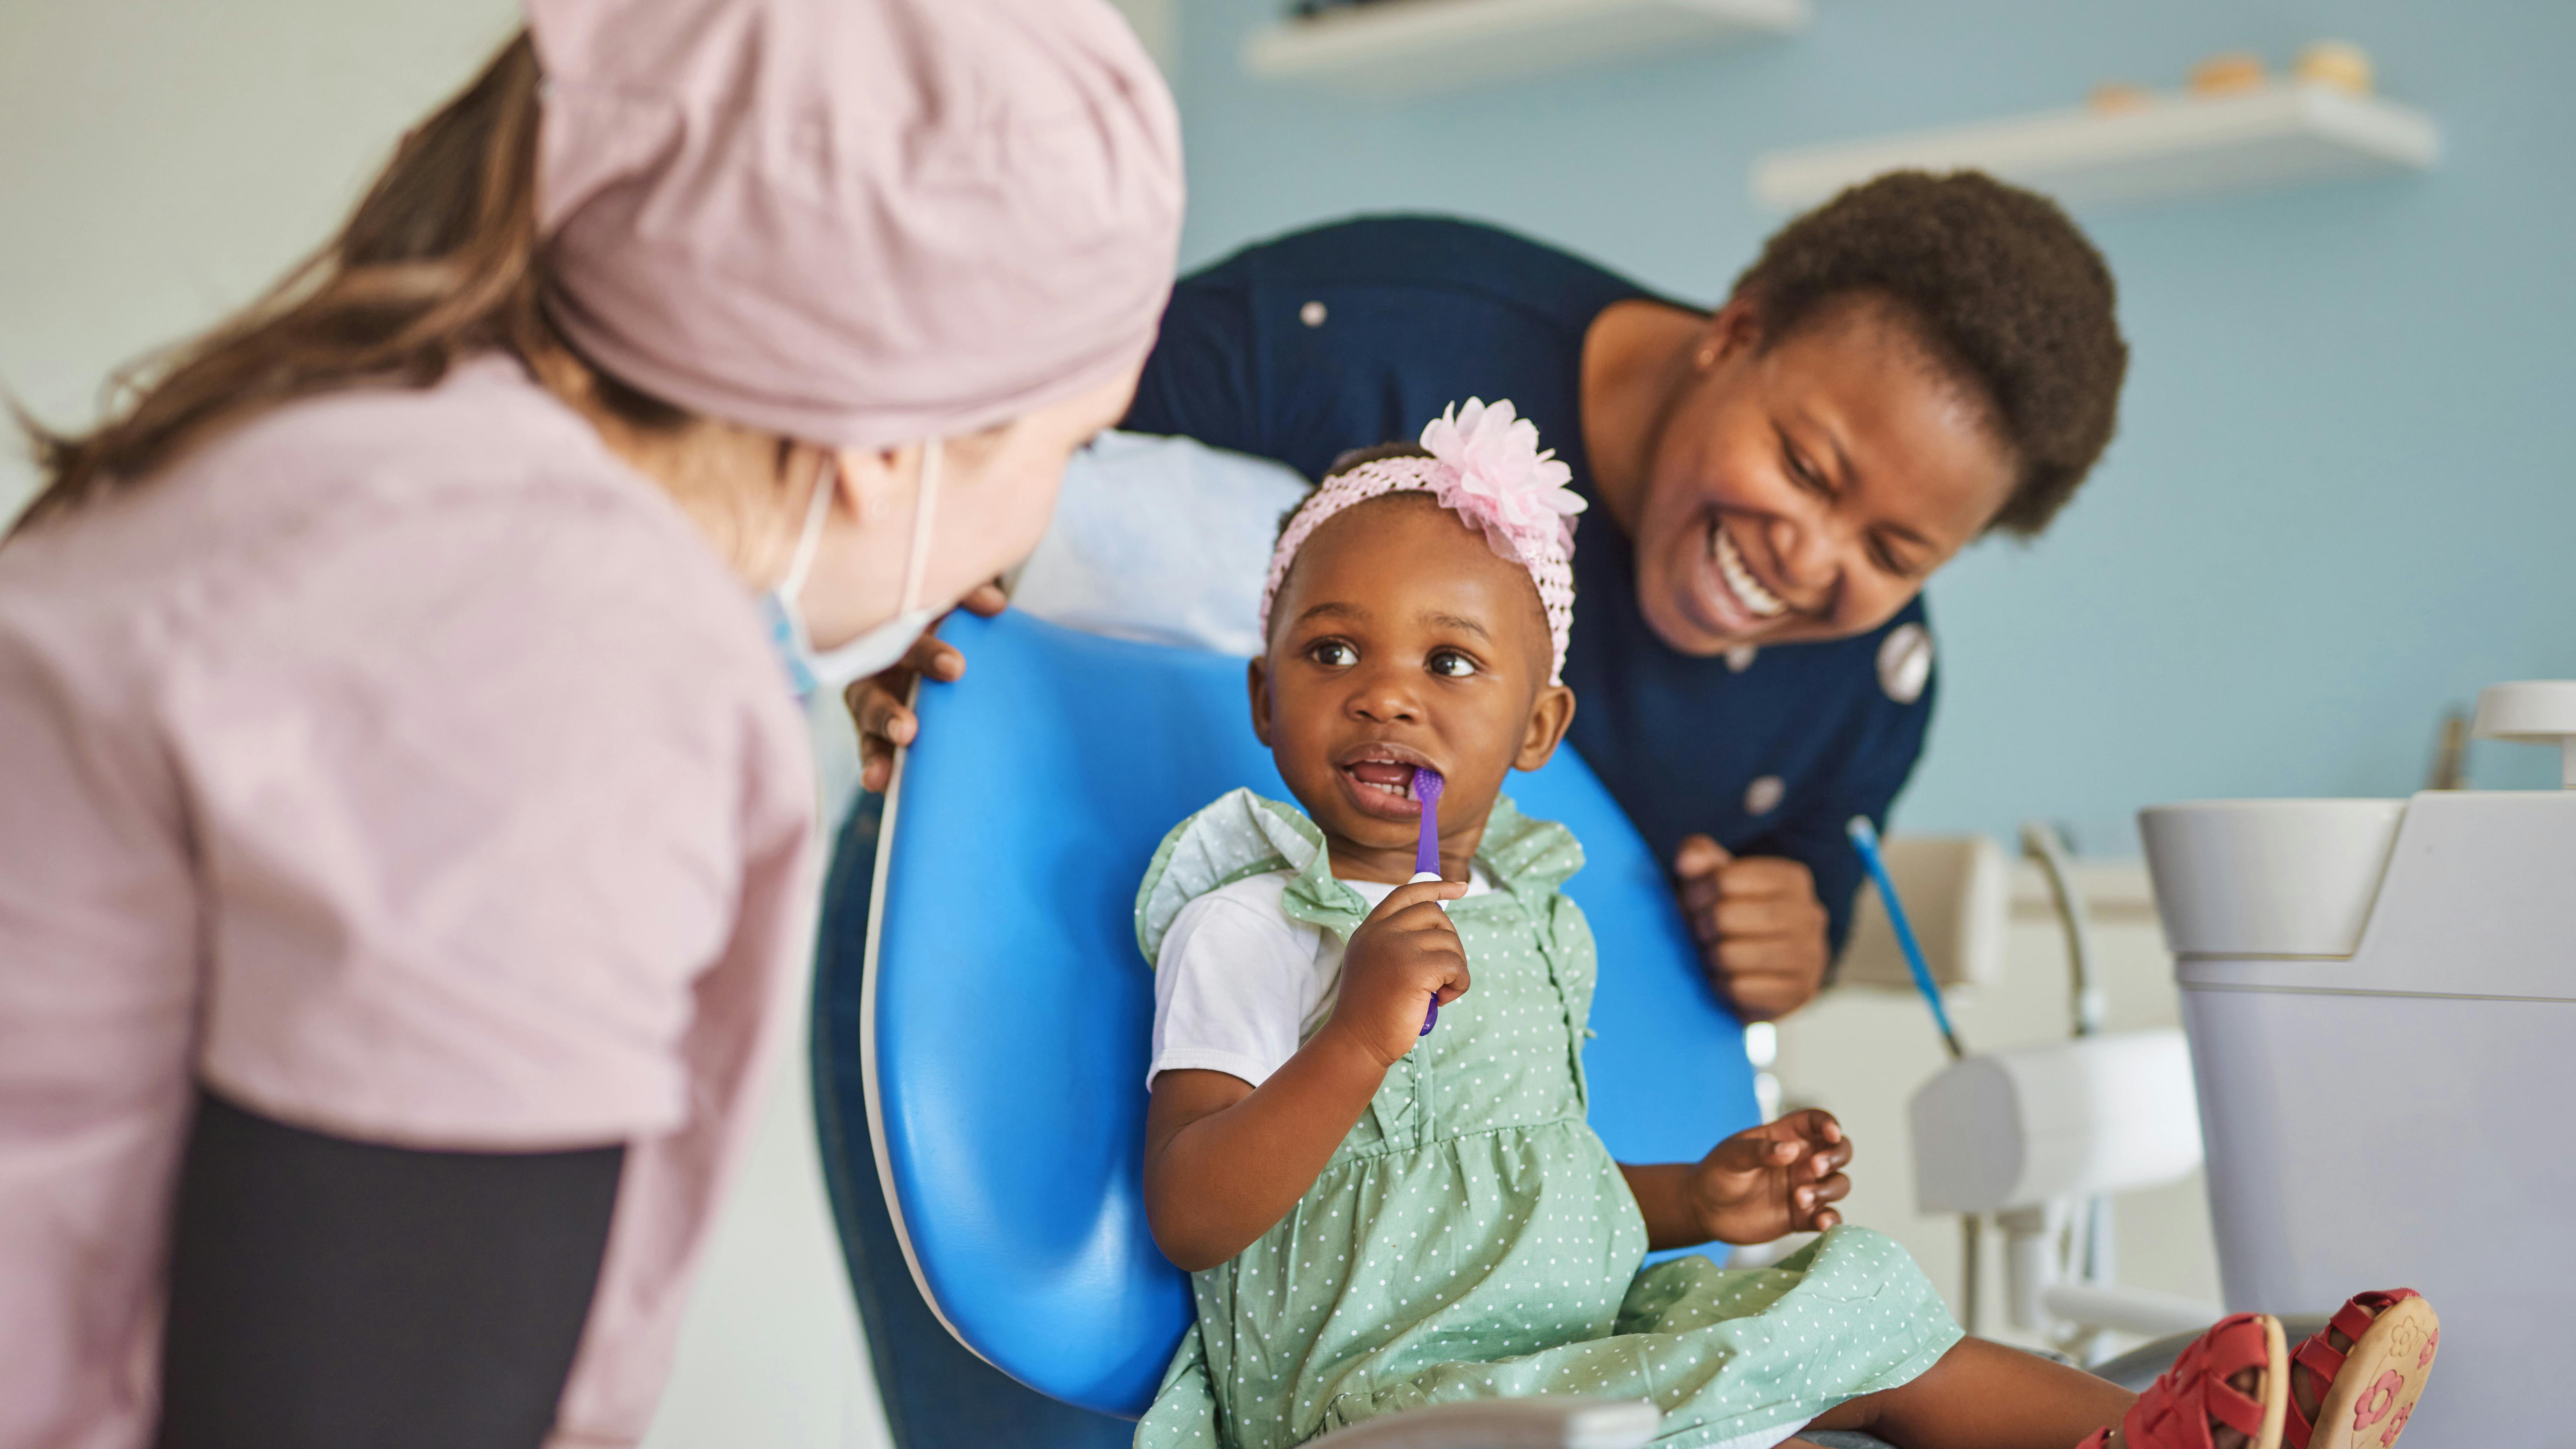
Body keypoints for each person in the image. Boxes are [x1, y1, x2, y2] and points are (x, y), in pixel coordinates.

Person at [0, 2, 1180, 1445]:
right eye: (1070, 443)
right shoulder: (547, 640)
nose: (1029, 532)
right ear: (888, 437)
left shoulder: (367, 471)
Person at [1131, 405, 2440, 1449]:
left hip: (1557, 1336)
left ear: (1540, 729)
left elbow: (1519, 1196)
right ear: (1264, 694)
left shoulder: (1527, 923)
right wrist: (1355, 1037)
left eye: (1451, 663)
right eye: (1331, 654)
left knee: (1858, 1305)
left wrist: (1701, 1195)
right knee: (1769, 1427)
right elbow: (1192, 1212)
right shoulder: (1254, 924)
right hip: (1396, 1392)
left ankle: (2181, 1436)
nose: (1384, 701)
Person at [855, 179, 2129, 1025]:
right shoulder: (1364, 333)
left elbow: (1809, 856)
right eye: (1805, 467)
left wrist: (1790, 935)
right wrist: (907, 611)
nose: (1810, 556)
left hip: (1435, 1136)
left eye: (1896, 549)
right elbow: (972, 467)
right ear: (1735, 333)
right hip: (1039, 927)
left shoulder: (1867, 678)